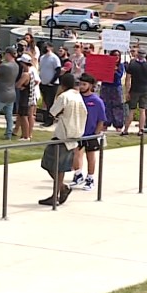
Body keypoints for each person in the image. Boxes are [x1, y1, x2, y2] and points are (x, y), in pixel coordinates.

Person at [39, 73, 87, 206]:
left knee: (49, 163)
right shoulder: (79, 97)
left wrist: (58, 95)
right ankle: (57, 192)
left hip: (63, 135)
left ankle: (61, 189)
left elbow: (53, 112)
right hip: (75, 134)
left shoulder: (64, 96)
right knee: (59, 167)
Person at [71, 73, 106, 191]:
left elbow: (101, 119)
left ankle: (90, 178)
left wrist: (96, 133)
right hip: (77, 132)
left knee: (90, 156)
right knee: (76, 154)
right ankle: (78, 175)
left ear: (91, 85)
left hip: (90, 133)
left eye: (84, 84)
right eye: (80, 84)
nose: (81, 86)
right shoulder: (76, 98)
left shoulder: (96, 101)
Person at [122, 48, 147, 136]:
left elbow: (128, 80)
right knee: (142, 110)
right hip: (145, 89)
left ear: (137, 55)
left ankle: (126, 130)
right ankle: (141, 130)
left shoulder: (132, 65)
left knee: (131, 110)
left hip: (135, 89)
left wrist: (127, 92)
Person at [38, 42, 61, 127]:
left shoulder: (54, 58)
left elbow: (58, 70)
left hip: (52, 84)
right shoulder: (42, 57)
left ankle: (50, 120)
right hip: (43, 83)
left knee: (50, 102)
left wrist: (52, 81)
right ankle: (46, 118)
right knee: (46, 102)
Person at [100, 50, 125, 130]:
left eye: (118, 55)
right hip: (106, 86)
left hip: (115, 86)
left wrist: (114, 70)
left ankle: (118, 124)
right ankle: (106, 123)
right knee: (105, 105)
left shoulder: (120, 65)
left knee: (117, 105)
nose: (116, 57)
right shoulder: (105, 64)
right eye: (114, 55)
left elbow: (119, 76)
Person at [15, 54, 33, 140]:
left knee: (24, 116)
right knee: (22, 115)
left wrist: (19, 85)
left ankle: (26, 136)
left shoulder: (26, 74)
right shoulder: (31, 72)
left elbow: (18, 85)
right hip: (27, 97)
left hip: (25, 98)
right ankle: (24, 134)